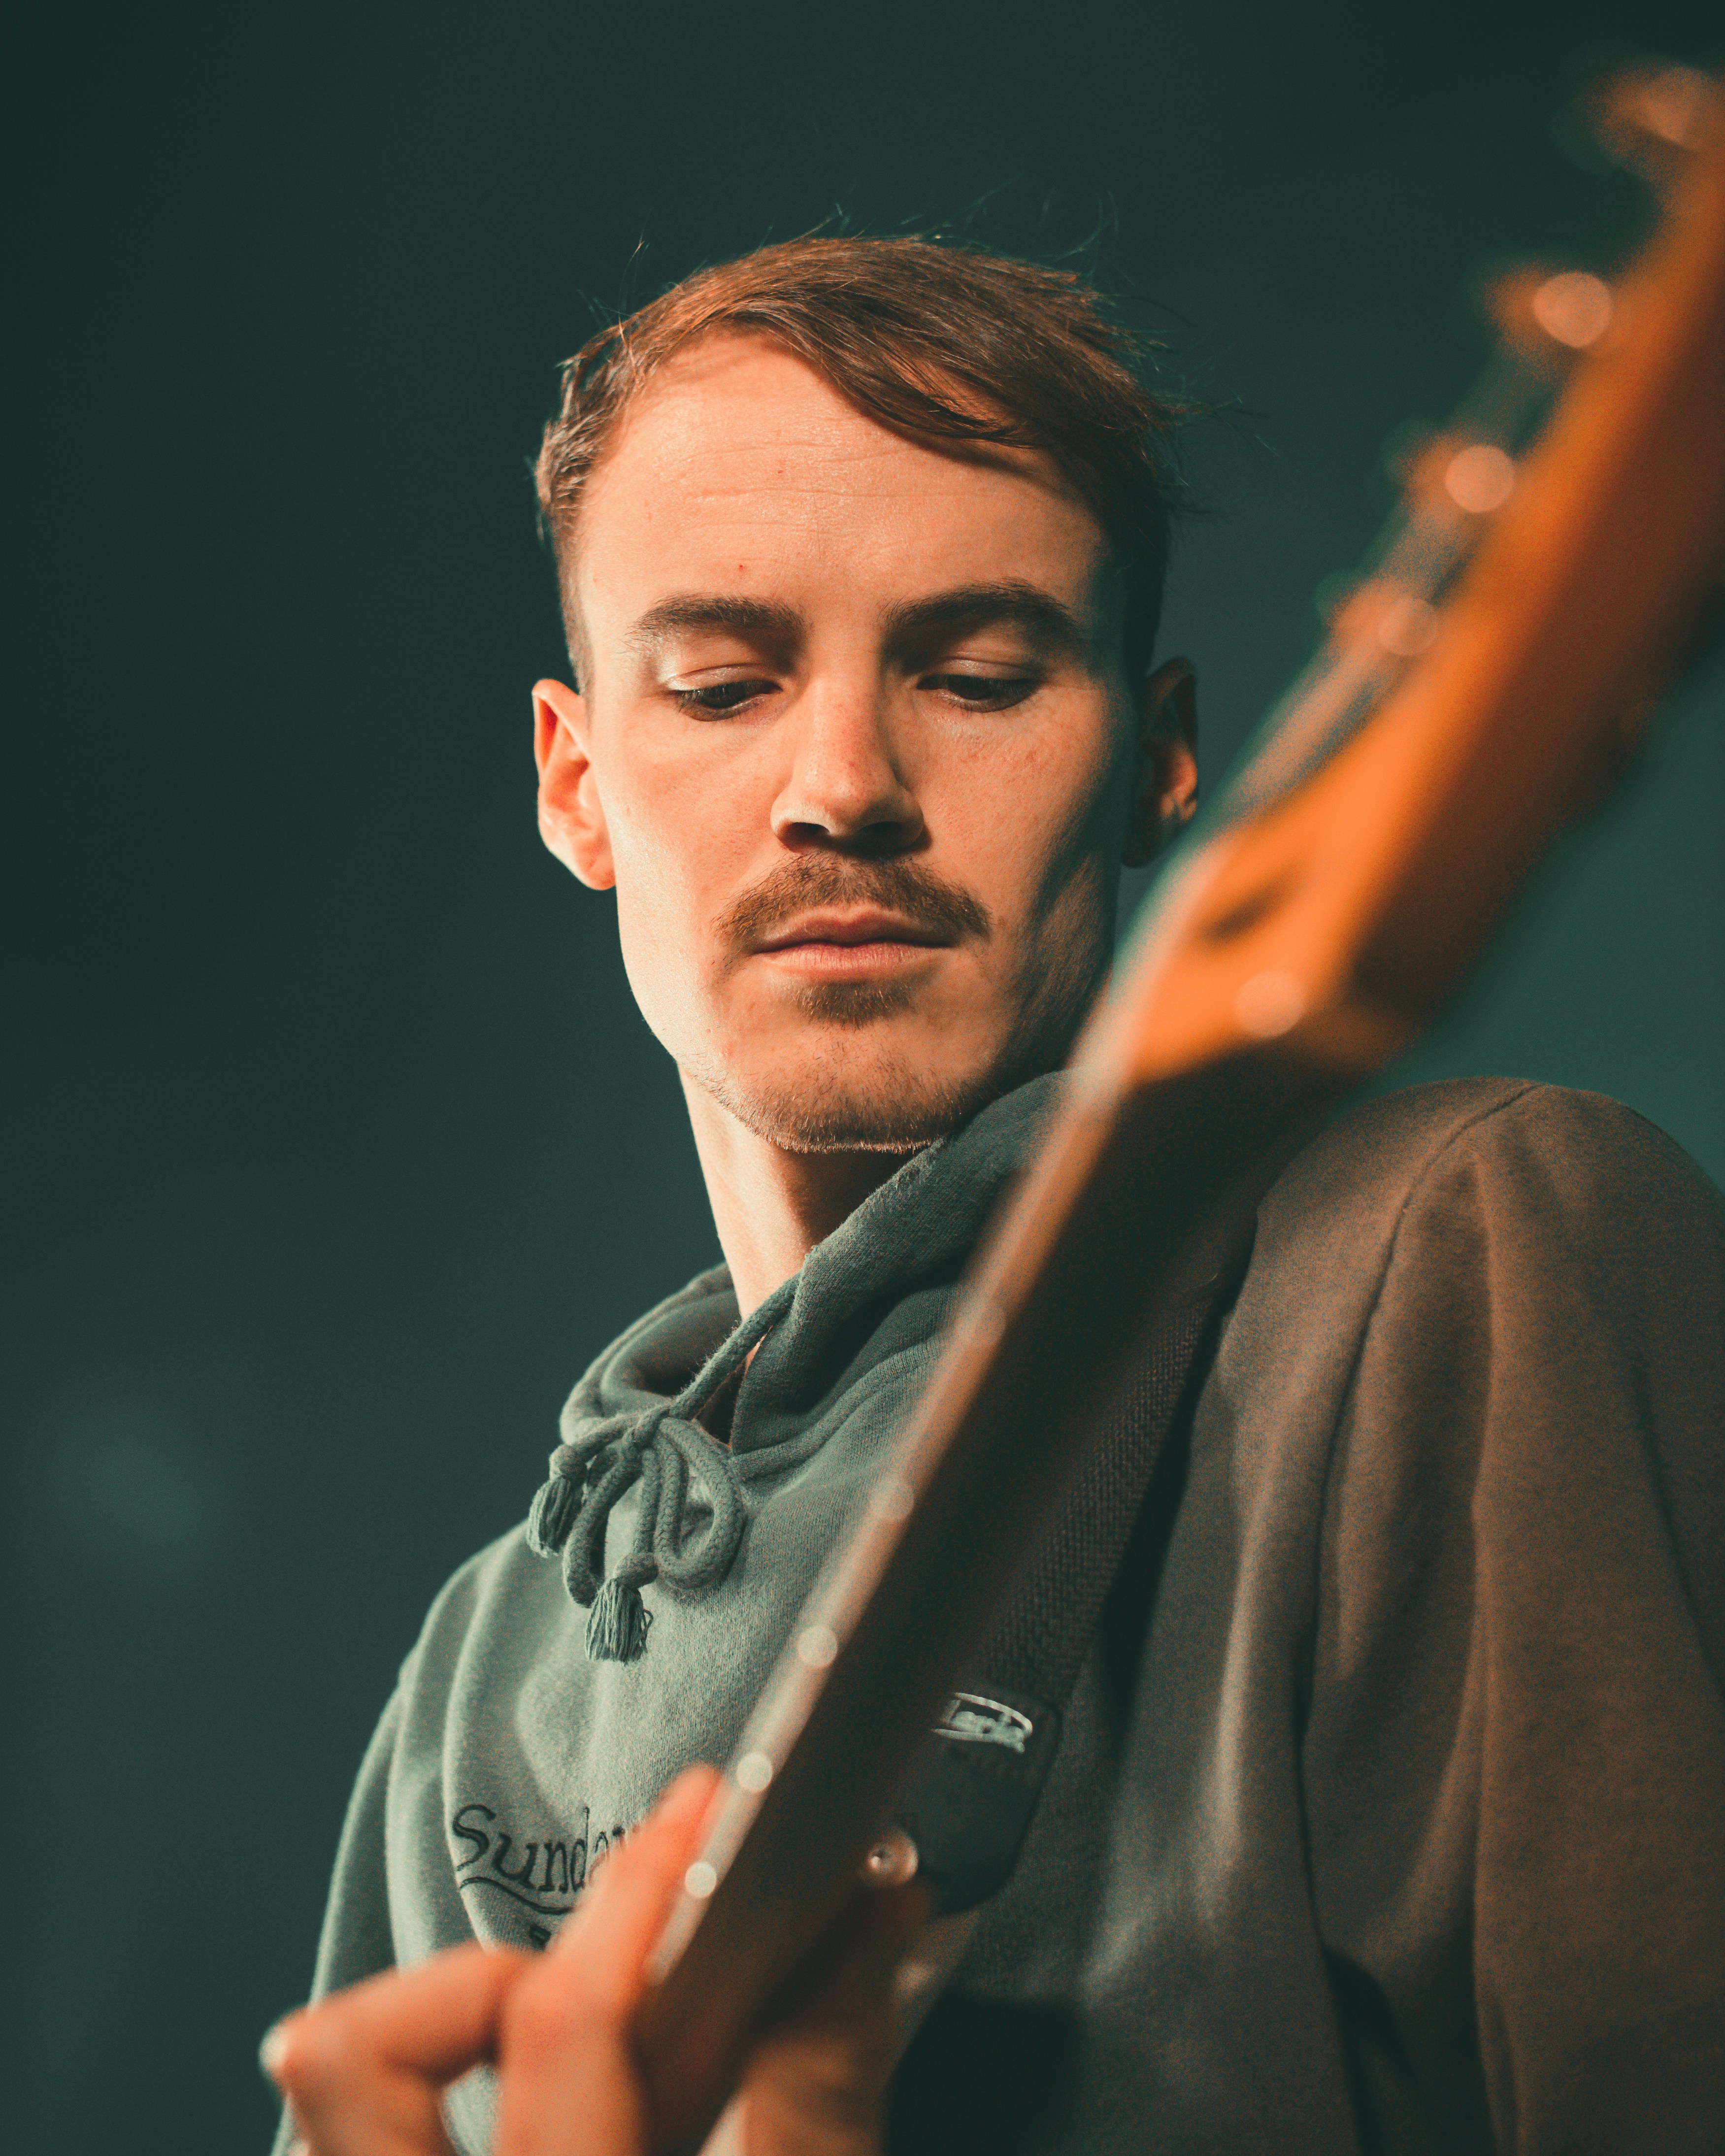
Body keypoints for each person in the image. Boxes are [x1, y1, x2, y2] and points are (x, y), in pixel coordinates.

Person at [268, 235, 1725, 2156]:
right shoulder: (495, 1652)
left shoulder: (1450, 1249)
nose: (845, 783)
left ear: (1162, 753)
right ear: (576, 784)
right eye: (720, 684)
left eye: (973, 674)